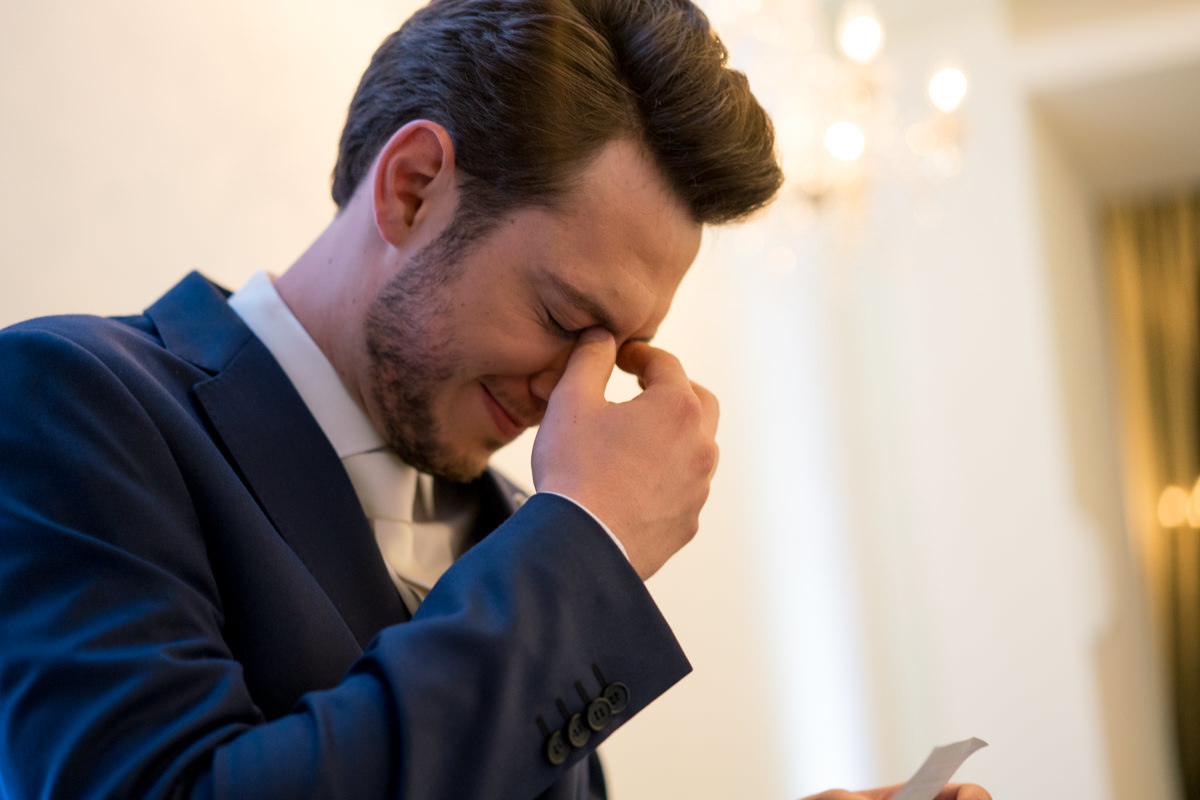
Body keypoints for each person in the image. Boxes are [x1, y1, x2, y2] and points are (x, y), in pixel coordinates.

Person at [0, 1, 991, 798]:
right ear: (415, 187)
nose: (578, 389)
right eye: (566, 315)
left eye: (618, 346)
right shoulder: (69, 398)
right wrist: (589, 541)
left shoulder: (515, 528)